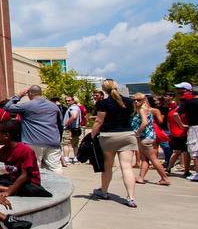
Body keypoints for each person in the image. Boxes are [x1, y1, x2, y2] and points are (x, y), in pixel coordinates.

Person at [88, 79, 139, 207]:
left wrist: (92, 136)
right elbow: (131, 115)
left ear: (104, 90)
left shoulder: (104, 103)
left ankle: (104, 191)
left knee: (108, 166)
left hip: (109, 136)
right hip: (127, 135)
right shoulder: (128, 101)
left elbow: (99, 121)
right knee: (127, 167)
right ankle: (131, 197)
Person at [3, 86, 63, 172]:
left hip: (33, 142)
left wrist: (19, 95)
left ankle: (35, 185)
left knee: (34, 168)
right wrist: (58, 139)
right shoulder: (54, 106)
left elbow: (7, 107)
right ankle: (59, 184)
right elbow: (60, 125)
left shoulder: (27, 105)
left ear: (30, 94)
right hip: (53, 141)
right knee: (55, 168)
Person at [132, 94, 171, 186]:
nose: (136, 102)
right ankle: (141, 177)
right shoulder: (144, 109)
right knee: (144, 159)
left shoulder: (142, 109)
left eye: (138, 100)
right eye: (134, 100)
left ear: (144, 100)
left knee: (153, 159)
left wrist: (137, 134)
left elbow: (144, 123)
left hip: (145, 138)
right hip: (146, 137)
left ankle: (164, 178)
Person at [176, 83, 198, 181]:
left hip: (194, 127)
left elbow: (175, 114)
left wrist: (181, 124)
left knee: (196, 151)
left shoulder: (188, 102)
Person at [62, 96, 83, 165]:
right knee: (75, 144)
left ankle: (66, 159)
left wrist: (66, 124)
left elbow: (74, 116)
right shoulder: (76, 107)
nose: (67, 102)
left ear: (73, 101)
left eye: (69, 100)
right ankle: (76, 158)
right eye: (66, 101)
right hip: (76, 129)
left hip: (69, 129)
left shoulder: (73, 108)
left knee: (66, 144)